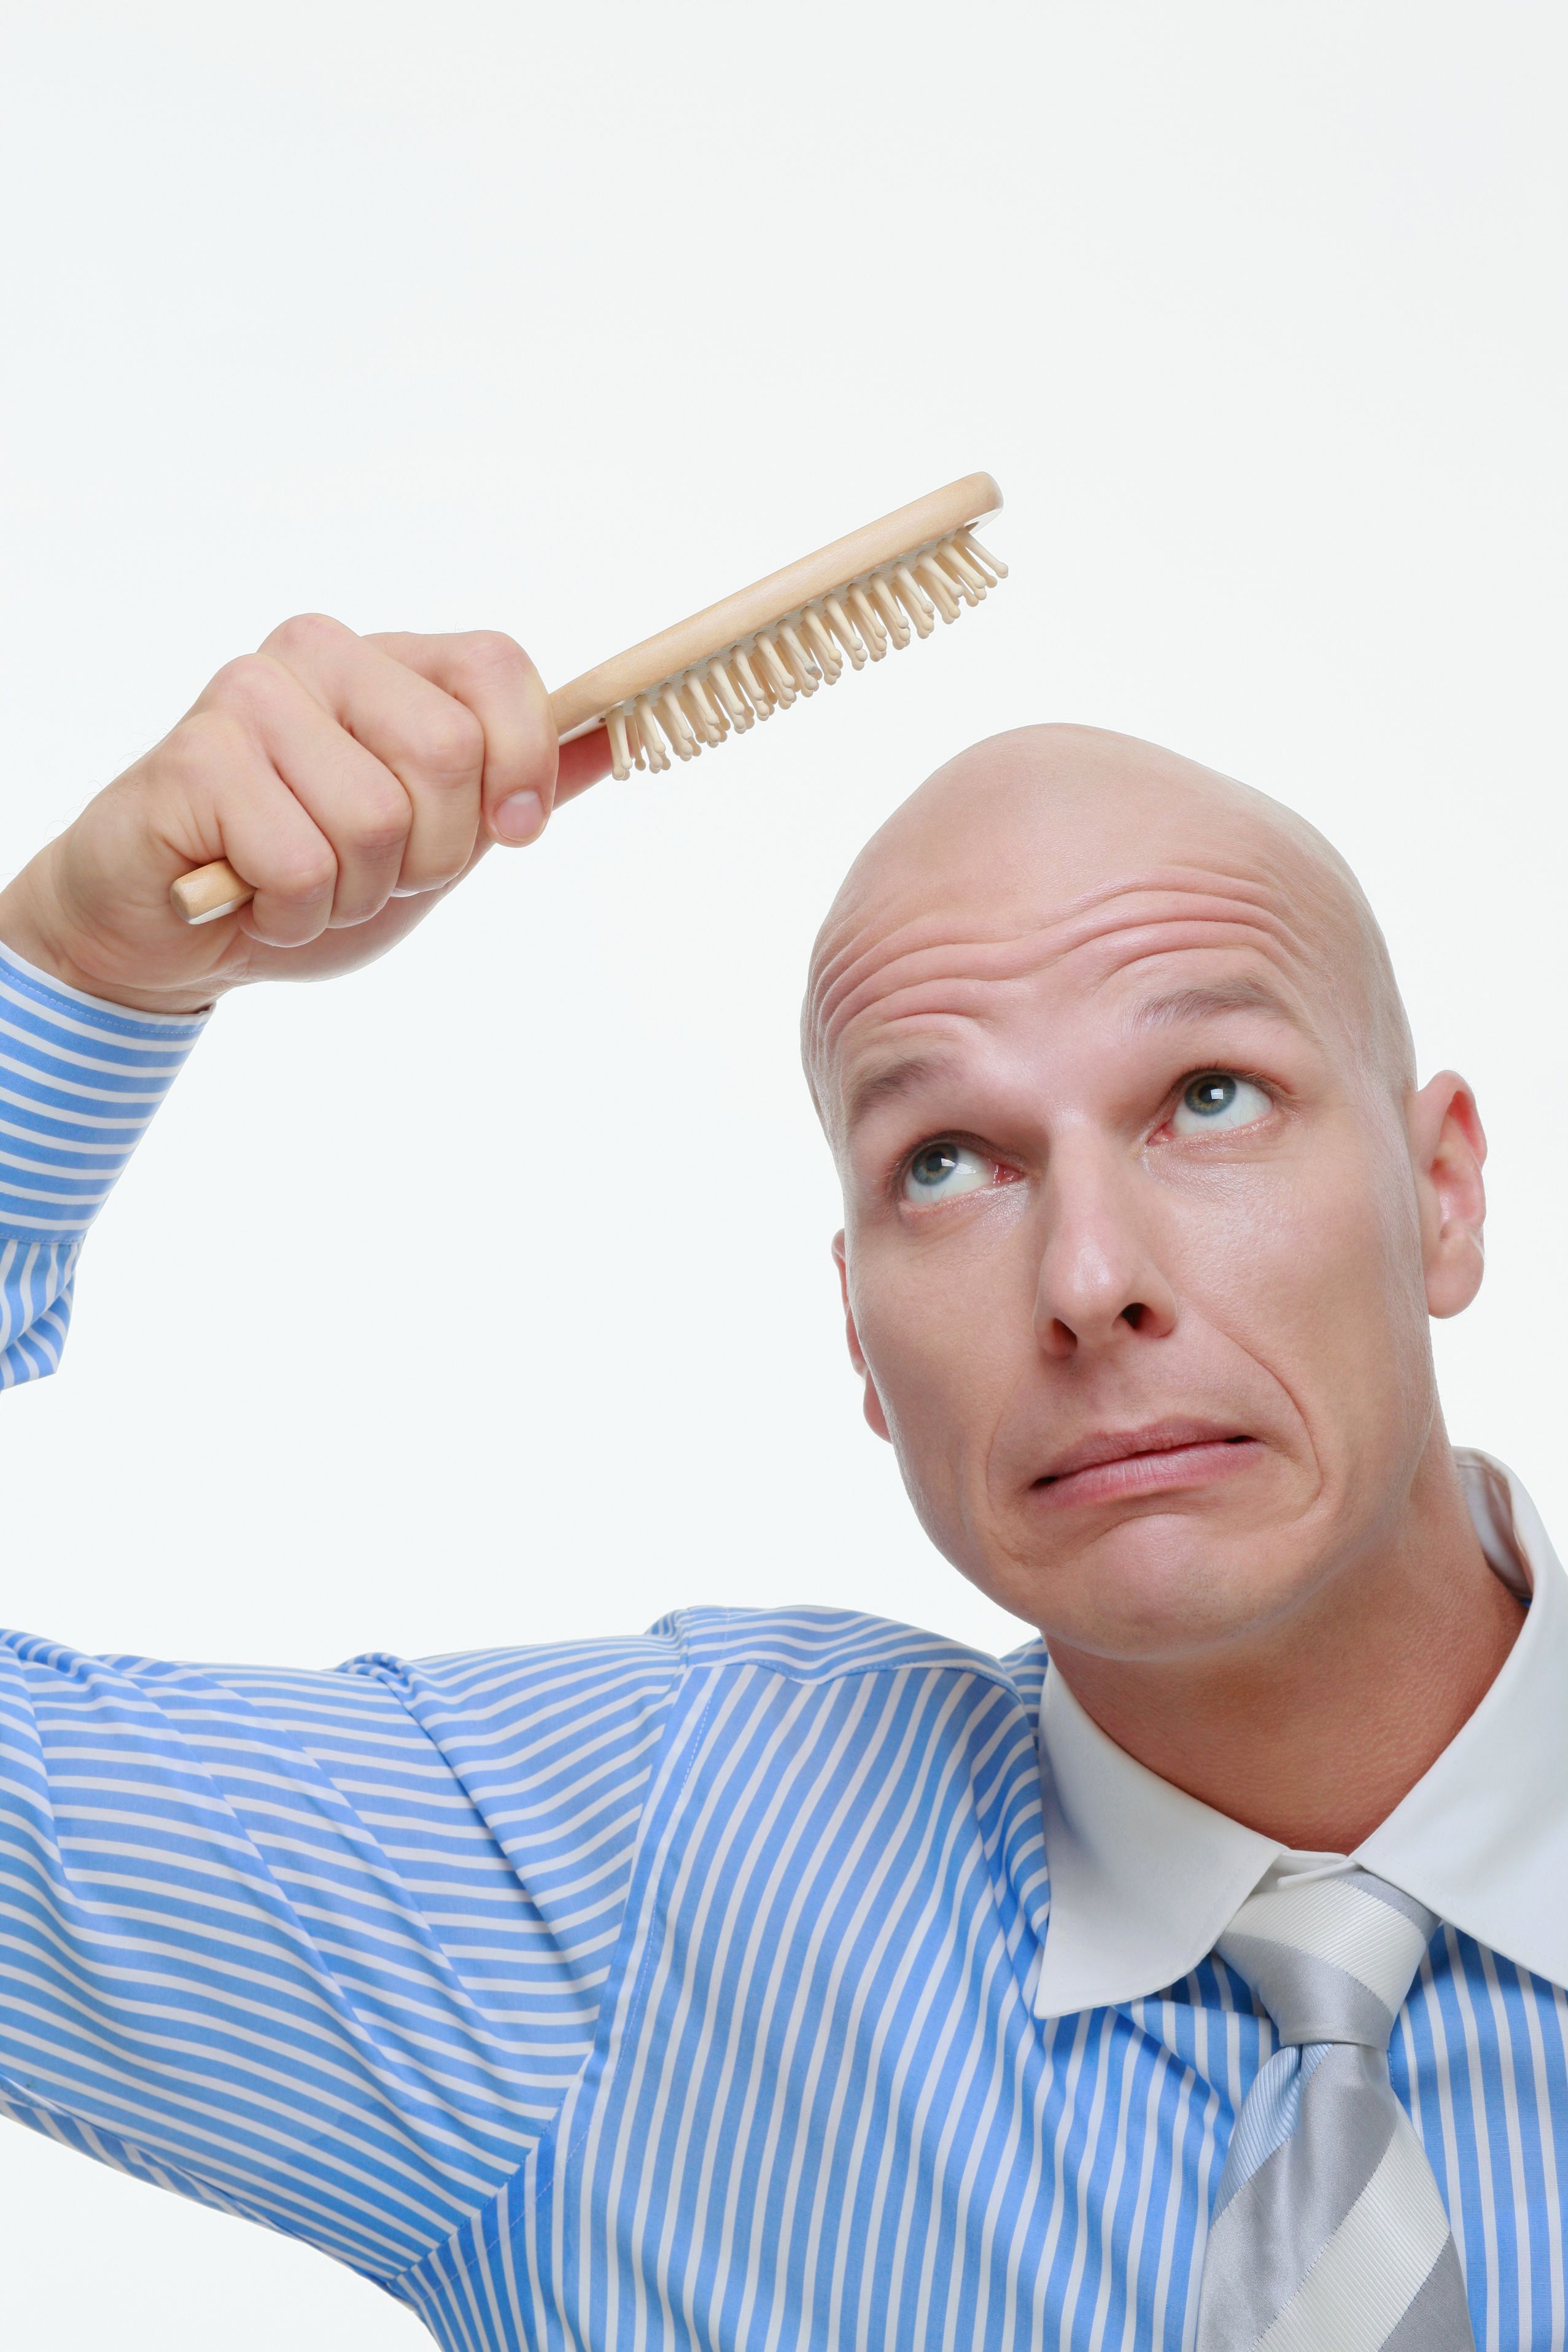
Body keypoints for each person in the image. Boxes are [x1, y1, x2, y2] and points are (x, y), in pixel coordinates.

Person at [0, 615, 1559, 2352]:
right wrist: (77, 964)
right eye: (946, 1163)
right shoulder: (628, 1894)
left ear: (1442, 1195)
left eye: (1208, 1096)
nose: (1084, 1274)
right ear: (855, 1335)